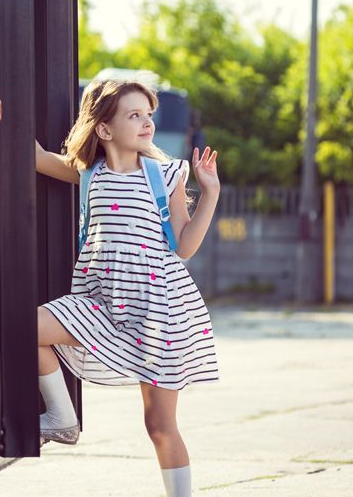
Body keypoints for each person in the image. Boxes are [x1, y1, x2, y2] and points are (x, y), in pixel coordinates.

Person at [33, 78, 221, 497]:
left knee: (159, 425)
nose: (146, 123)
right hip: (101, 303)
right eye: (134, 115)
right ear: (104, 129)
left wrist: (209, 193)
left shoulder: (165, 174)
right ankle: (62, 419)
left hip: (159, 312)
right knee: (27, 328)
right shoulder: (86, 173)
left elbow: (186, 246)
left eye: (148, 115)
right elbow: (37, 156)